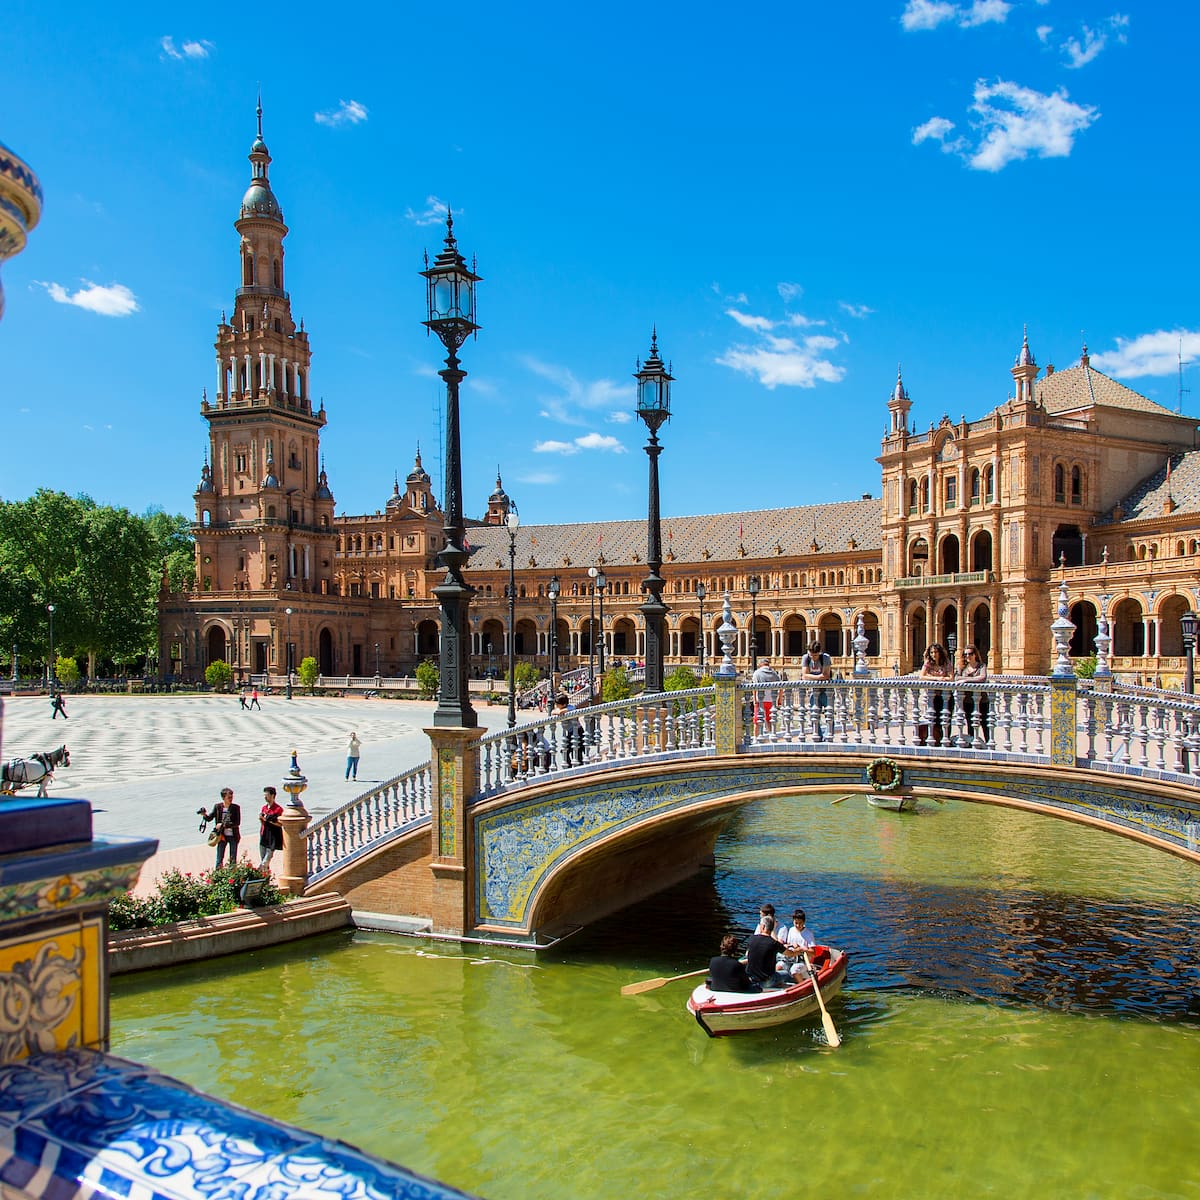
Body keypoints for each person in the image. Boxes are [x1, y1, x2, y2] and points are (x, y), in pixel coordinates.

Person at [918, 642, 953, 745]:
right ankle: (937, 739)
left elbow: (951, 678)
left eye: (936, 652)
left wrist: (944, 679)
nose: (934, 654)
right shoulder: (928, 662)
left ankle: (946, 739)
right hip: (933, 697)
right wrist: (937, 678)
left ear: (940, 652)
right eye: (932, 652)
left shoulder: (946, 662)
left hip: (946, 696)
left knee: (947, 719)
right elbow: (921, 676)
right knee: (935, 719)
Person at [779, 908, 830, 979]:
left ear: (804, 922)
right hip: (791, 959)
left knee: (794, 969)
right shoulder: (791, 930)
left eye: (800, 923)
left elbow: (813, 953)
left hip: (803, 962)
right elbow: (788, 945)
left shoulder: (808, 934)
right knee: (779, 966)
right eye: (796, 923)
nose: (798, 925)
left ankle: (801, 985)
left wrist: (803, 949)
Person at [200, 788, 241, 868]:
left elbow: (237, 823)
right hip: (221, 836)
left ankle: (233, 876)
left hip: (233, 836)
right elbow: (209, 818)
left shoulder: (236, 807)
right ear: (223, 798)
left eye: (231, 797)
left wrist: (223, 825)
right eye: (228, 797)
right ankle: (218, 875)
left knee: (233, 858)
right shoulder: (218, 807)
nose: (231, 799)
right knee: (219, 857)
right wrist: (204, 815)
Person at [957, 644, 990, 742]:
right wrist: (974, 679)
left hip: (982, 699)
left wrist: (966, 680)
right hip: (968, 700)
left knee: (985, 723)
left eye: (970, 654)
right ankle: (973, 743)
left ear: (975, 654)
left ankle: (988, 743)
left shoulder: (981, 666)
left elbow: (982, 677)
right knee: (970, 723)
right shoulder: (962, 667)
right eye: (965, 654)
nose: (968, 656)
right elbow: (957, 678)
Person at [745, 915, 788, 987]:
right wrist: (799, 950)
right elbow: (790, 954)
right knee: (786, 974)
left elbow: (747, 954)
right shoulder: (774, 943)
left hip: (750, 979)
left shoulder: (751, 939)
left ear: (763, 927)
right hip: (766, 982)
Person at [800, 640, 832, 738]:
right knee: (814, 714)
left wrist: (811, 676)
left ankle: (828, 737)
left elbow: (826, 675)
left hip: (827, 691)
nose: (813, 658)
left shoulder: (825, 658)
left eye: (815, 656)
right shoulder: (806, 658)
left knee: (829, 715)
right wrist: (820, 677)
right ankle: (818, 736)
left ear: (819, 652)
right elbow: (804, 676)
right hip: (814, 691)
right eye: (811, 655)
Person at [751, 658, 782, 730]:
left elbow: (754, 687)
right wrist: (779, 699)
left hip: (760, 699)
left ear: (761, 664)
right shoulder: (774, 673)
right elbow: (781, 687)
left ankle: (756, 738)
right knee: (770, 720)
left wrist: (754, 699)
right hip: (771, 700)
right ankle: (771, 735)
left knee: (757, 721)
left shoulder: (757, 673)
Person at [258, 785, 284, 869]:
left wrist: (269, 820)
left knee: (266, 859)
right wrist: (261, 818)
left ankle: (260, 871)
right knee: (263, 858)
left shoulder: (278, 809)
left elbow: (280, 824)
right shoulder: (264, 808)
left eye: (267, 795)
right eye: (264, 795)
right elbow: (263, 822)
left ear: (272, 795)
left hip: (273, 836)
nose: (265, 797)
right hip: (263, 834)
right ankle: (266, 879)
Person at [554, 693, 584, 765]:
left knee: (577, 750)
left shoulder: (571, 708)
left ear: (564, 704)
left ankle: (579, 766)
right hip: (571, 732)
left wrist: (558, 711)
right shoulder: (563, 708)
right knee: (565, 750)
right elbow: (553, 712)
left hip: (578, 732)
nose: (556, 706)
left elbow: (560, 712)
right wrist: (557, 710)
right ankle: (569, 766)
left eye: (557, 704)